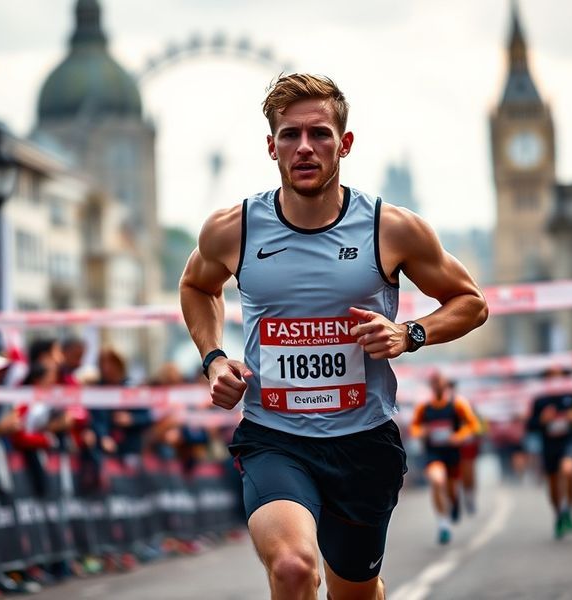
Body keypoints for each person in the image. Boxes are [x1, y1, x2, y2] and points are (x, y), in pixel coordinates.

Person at [179, 74, 488, 599]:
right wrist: (214, 358)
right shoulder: (234, 228)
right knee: (295, 568)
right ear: (271, 146)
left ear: (344, 144)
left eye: (320, 133)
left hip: (362, 442)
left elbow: (471, 303)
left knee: (355, 592)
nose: (304, 147)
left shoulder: (390, 228)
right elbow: (196, 286)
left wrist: (408, 334)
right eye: (289, 135)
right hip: (275, 436)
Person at [410, 372, 481, 544]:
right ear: (430, 386)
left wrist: (459, 436)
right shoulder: (424, 407)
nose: (437, 385)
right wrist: (422, 432)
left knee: (450, 489)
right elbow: (414, 427)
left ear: (446, 384)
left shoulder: (457, 404)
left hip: (452, 453)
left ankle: (455, 503)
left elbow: (474, 425)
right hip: (433, 453)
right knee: (436, 480)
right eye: (433, 382)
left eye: (439, 382)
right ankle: (443, 525)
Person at [527, 367, 572, 540]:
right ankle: (558, 515)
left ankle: (569, 509)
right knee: (553, 484)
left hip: (568, 442)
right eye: (551, 377)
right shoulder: (540, 400)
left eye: (559, 377)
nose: (556, 381)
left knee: (569, 471)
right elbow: (530, 425)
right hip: (549, 445)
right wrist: (542, 420)